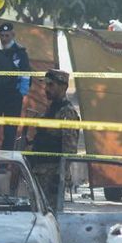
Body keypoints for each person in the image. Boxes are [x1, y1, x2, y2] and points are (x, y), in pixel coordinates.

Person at [29, 69, 79, 207]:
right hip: (40, 171)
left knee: (51, 215)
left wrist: (59, 177)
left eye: (51, 85)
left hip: (52, 176)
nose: (46, 89)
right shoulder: (52, 109)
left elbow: (69, 149)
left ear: (63, 87)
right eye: (46, 85)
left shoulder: (67, 112)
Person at [0, 22, 32, 151]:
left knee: (10, 133)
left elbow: (26, 75)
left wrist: (22, 94)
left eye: (7, 35)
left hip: (12, 97)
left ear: (13, 35)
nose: (4, 39)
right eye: (2, 35)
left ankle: (4, 166)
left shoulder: (20, 52)